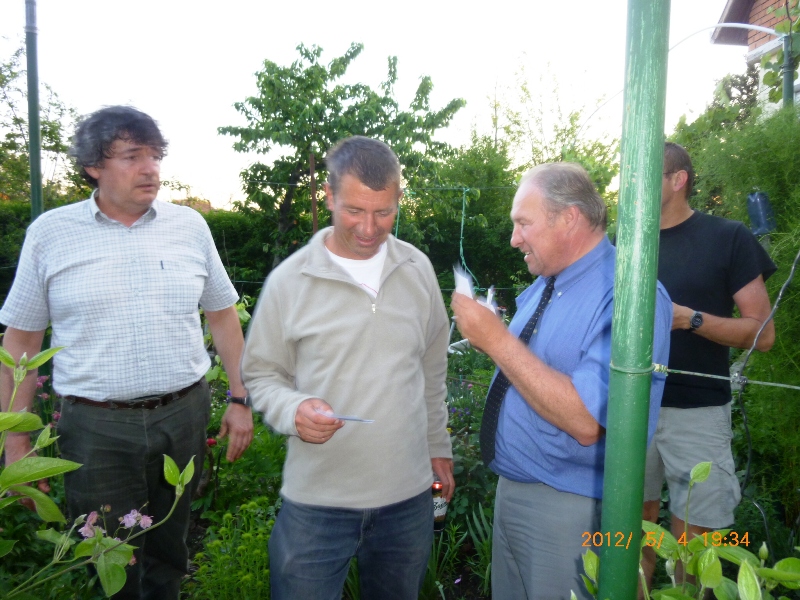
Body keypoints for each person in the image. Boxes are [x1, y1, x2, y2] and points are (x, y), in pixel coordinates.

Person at [0, 106, 253, 600]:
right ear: (94, 165)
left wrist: (240, 399)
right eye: (133, 156)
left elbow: (223, 316)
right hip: (96, 429)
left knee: (170, 550)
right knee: (106, 558)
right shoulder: (50, 234)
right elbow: (21, 342)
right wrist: (16, 442)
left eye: (155, 156)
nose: (150, 168)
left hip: (183, 415)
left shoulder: (189, 227)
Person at [241, 135, 454, 600]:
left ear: (399, 198)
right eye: (354, 210)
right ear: (329, 196)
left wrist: (438, 446)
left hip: (408, 500)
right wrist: (293, 409)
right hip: (317, 504)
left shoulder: (417, 269)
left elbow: (432, 368)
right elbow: (260, 374)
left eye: (384, 212)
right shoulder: (289, 281)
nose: (369, 228)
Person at [451, 162, 672, 600]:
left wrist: (496, 340)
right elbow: (535, 366)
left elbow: (588, 420)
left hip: (571, 509)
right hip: (515, 491)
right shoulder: (548, 284)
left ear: (569, 217)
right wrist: (495, 335)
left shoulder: (628, 297)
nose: (514, 239)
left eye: (523, 223)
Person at [641, 142, 776, 587]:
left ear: (678, 179)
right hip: (631, 406)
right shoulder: (628, 241)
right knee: (629, 532)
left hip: (697, 412)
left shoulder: (728, 236)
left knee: (695, 546)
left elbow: (763, 333)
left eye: (647, 173)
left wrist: (690, 319)